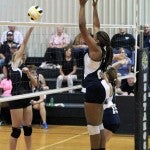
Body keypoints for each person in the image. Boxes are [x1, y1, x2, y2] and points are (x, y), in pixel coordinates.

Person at [79, 0, 114, 149]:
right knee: (98, 124)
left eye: (94, 36)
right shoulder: (103, 49)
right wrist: (94, 7)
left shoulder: (96, 49)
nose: (92, 35)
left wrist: (81, 6)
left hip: (93, 88)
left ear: (97, 40)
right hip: (99, 87)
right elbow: (97, 26)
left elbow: (82, 27)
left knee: (92, 127)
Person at [8, 27, 37, 150]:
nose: (22, 54)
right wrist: (30, 28)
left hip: (26, 97)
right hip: (16, 98)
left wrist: (29, 74)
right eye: (20, 54)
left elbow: (36, 85)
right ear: (15, 58)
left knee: (28, 128)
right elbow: (24, 44)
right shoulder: (14, 65)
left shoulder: (25, 68)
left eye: (23, 54)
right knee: (16, 131)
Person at [27, 65, 49, 129]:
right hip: (30, 101)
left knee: (42, 104)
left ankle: (44, 123)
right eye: (33, 73)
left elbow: (42, 99)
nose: (35, 75)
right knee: (26, 105)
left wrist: (35, 102)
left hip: (37, 101)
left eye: (35, 73)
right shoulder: (26, 83)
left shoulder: (39, 86)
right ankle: (26, 124)